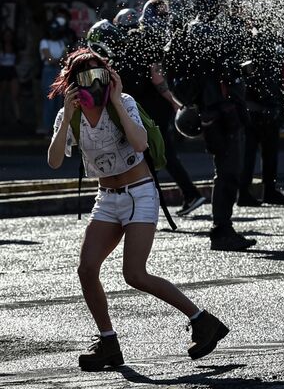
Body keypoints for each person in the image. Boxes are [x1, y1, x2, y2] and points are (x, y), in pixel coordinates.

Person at [46, 48, 229, 371]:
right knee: (87, 269)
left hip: (140, 194)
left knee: (134, 274)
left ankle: (202, 321)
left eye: (98, 74)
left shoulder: (124, 103)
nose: (93, 83)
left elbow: (141, 144)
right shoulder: (70, 115)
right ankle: (108, 343)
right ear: (73, 83)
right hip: (107, 197)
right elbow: (55, 160)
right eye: (84, 77)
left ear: (108, 77)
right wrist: (66, 115)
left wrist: (116, 101)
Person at [93, 1, 207, 217]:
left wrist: (175, 103)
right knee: (152, 155)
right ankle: (174, 197)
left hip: (149, 108)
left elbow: (155, 77)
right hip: (151, 107)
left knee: (156, 154)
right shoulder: (144, 40)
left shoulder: (133, 43)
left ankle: (181, 196)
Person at [166, 0, 251, 251]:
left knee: (226, 171)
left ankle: (223, 228)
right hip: (219, 112)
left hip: (214, 112)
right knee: (228, 172)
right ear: (215, 4)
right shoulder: (206, 30)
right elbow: (217, 68)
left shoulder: (194, 29)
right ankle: (221, 231)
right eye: (222, 3)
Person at [239, 26, 284, 206]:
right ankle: (256, 192)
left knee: (259, 153)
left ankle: (259, 191)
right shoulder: (261, 49)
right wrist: (270, 105)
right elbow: (264, 81)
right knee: (258, 153)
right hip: (258, 109)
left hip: (257, 108)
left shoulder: (250, 47)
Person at [39, 19, 68, 135]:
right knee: (49, 100)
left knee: (59, 101)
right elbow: (48, 58)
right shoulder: (44, 42)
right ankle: (48, 128)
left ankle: (58, 128)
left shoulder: (61, 42)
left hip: (59, 72)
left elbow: (65, 58)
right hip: (49, 71)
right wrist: (58, 60)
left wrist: (56, 60)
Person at [0, 27, 21, 125]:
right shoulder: (1, 47)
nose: (8, 37)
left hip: (12, 70)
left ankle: (18, 118)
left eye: (9, 35)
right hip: (3, 70)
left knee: (14, 96)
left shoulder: (15, 47)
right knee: (2, 95)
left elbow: (18, 60)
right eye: (6, 35)